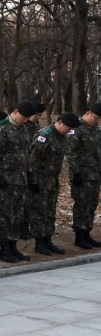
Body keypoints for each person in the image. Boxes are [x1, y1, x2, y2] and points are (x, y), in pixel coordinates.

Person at [0, 100, 38, 262]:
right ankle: (4, 249)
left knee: (17, 214)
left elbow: (26, 153)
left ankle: (13, 246)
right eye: (23, 117)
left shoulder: (23, 129)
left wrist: (29, 173)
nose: (24, 120)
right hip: (6, 180)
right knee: (4, 215)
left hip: (20, 180)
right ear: (15, 112)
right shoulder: (0, 128)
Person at [29, 112, 79, 256]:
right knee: (40, 211)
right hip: (40, 179)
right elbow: (33, 157)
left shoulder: (61, 136)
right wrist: (32, 178)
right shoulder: (44, 135)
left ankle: (48, 239)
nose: (70, 131)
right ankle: (40, 243)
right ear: (60, 123)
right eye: (68, 127)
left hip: (52, 179)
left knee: (50, 211)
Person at [66, 103, 101, 249]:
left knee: (91, 205)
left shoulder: (96, 130)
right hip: (82, 175)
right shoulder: (76, 129)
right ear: (88, 113)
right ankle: (79, 235)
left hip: (95, 174)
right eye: (96, 117)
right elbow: (71, 152)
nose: (98, 120)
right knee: (81, 205)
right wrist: (76, 173)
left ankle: (87, 232)